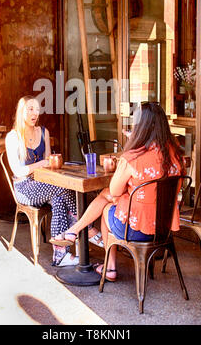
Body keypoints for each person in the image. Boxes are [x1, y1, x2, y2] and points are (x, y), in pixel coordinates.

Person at [50, 102, 185, 281]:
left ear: (141, 127)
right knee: (109, 196)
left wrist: (131, 145)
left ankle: (109, 266)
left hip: (138, 229)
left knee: (107, 205)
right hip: (163, 228)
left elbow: (114, 191)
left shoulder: (133, 157)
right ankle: (74, 231)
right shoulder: (176, 155)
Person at [5, 95, 103, 267]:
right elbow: (18, 170)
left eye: (37, 109)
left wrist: (49, 164)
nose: (35, 113)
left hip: (46, 184)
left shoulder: (43, 132)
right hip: (24, 188)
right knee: (63, 189)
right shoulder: (13, 137)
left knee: (59, 198)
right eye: (30, 109)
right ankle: (87, 229)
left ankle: (60, 256)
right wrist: (42, 163)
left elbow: (49, 166)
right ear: (21, 112)